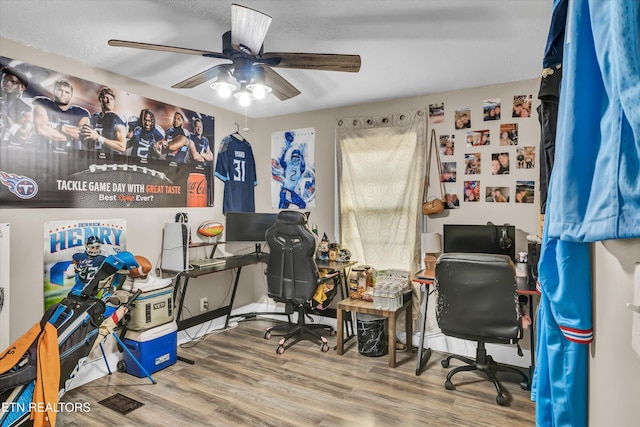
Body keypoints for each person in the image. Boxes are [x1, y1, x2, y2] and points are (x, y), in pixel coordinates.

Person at [32, 78, 90, 152]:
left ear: (71, 95)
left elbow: (83, 135)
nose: (63, 94)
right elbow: (41, 130)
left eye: (67, 92)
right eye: (60, 90)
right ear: (54, 91)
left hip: (72, 156)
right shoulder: (42, 103)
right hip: (43, 153)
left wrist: (57, 127)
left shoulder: (81, 112)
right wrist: (71, 135)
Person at [79, 86, 127, 154]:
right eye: (106, 98)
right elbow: (89, 144)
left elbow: (122, 146)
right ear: (100, 100)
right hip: (96, 159)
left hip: (111, 161)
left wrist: (98, 137)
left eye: (111, 99)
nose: (109, 101)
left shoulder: (116, 118)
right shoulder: (94, 117)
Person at [0, 66, 31, 144]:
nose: (7, 83)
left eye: (13, 82)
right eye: (5, 80)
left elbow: (24, 135)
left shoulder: (28, 109)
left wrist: (6, 120)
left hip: (10, 149)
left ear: (22, 87)